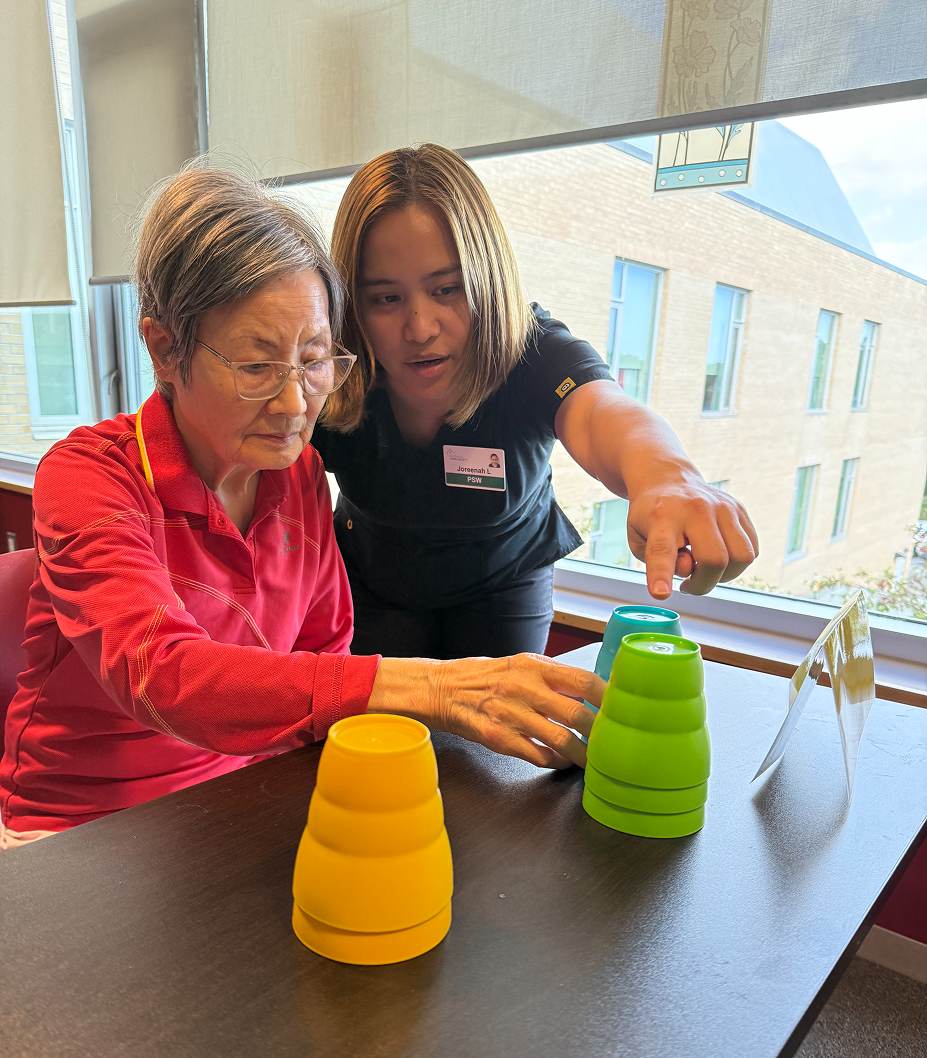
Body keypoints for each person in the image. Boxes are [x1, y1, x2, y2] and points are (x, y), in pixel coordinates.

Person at [0, 168, 604, 847]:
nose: (295, 407)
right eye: (257, 367)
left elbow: (322, 654)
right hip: (79, 838)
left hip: (241, 807)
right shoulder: (90, 475)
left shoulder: (299, 477)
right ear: (166, 348)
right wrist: (431, 689)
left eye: (315, 359)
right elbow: (160, 673)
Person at [312, 143, 758, 659]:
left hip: (504, 581)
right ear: (351, 305)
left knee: (494, 736)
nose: (421, 328)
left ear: (488, 278)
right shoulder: (331, 369)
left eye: (448, 289)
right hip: (370, 580)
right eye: (386, 298)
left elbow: (600, 414)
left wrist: (666, 474)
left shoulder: (532, 351)